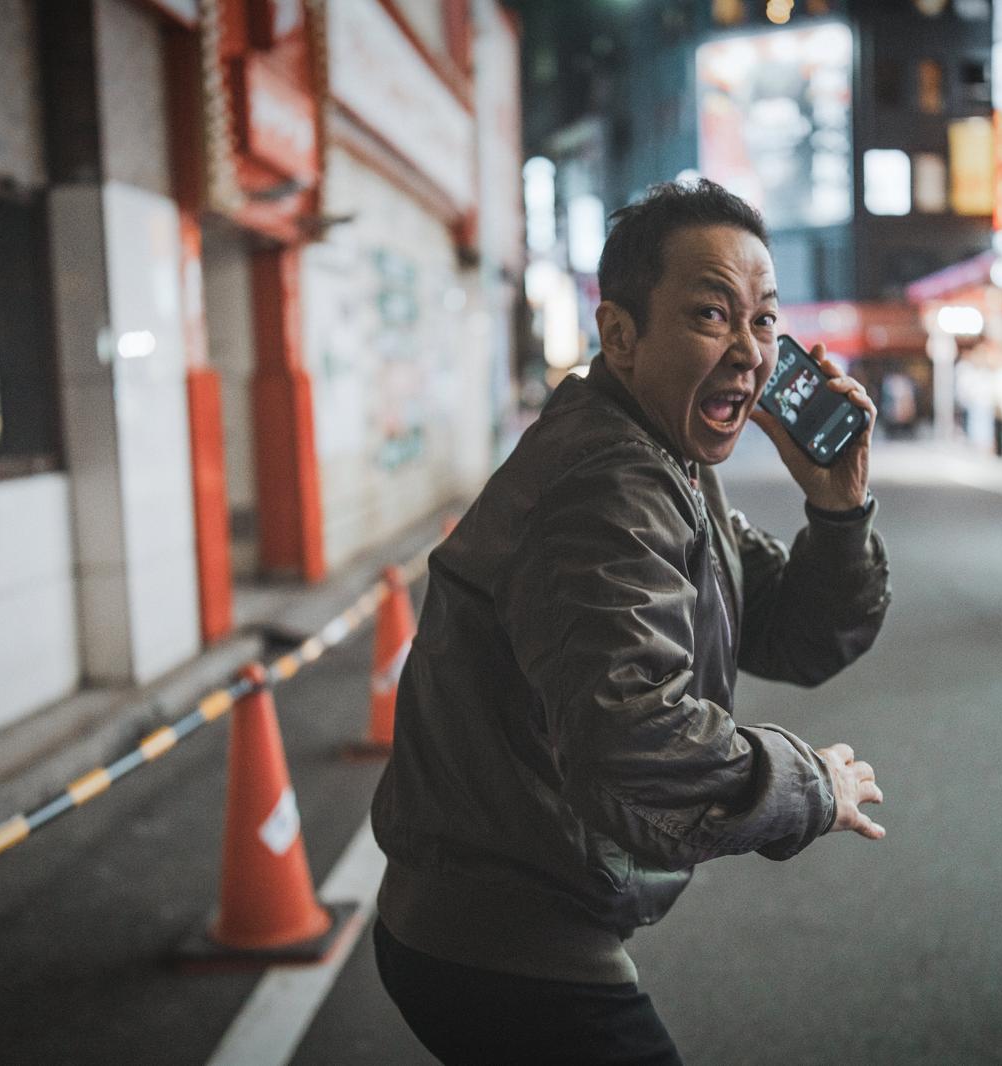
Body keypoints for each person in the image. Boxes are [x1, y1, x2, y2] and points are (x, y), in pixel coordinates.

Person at [368, 179, 891, 1066]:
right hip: (505, 944)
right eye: (711, 314)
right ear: (620, 334)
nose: (750, 352)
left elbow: (793, 634)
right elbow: (631, 731)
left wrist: (839, 512)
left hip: (500, 929)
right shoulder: (606, 483)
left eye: (764, 321)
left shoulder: (666, 463)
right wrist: (810, 786)